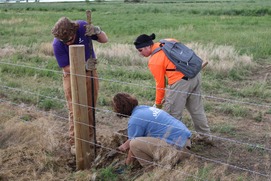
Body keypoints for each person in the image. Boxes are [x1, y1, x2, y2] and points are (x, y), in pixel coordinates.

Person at [133, 33, 212, 144]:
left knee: (172, 115)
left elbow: (160, 85)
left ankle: (178, 142)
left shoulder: (154, 61)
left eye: (140, 50)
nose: (140, 54)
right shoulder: (168, 41)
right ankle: (206, 137)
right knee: (196, 110)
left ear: (147, 46)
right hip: (195, 75)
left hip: (180, 83)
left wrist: (158, 103)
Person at [51, 17, 108, 154]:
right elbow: (66, 68)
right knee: (74, 109)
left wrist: (97, 30)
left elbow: (104, 39)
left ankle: (90, 140)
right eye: (65, 42)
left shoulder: (82, 26)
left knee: (90, 107)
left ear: (74, 30)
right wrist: (83, 66)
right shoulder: (57, 44)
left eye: (70, 39)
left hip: (90, 73)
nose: (68, 43)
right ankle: (75, 142)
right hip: (71, 76)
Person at [112, 92, 192, 169]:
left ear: (120, 109)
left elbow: (132, 144)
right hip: (185, 142)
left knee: (134, 143)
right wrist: (122, 147)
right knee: (136, 142)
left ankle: (152, 171)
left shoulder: (134, 120)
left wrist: (127, 165)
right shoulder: (144, 108)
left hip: (176, 151)